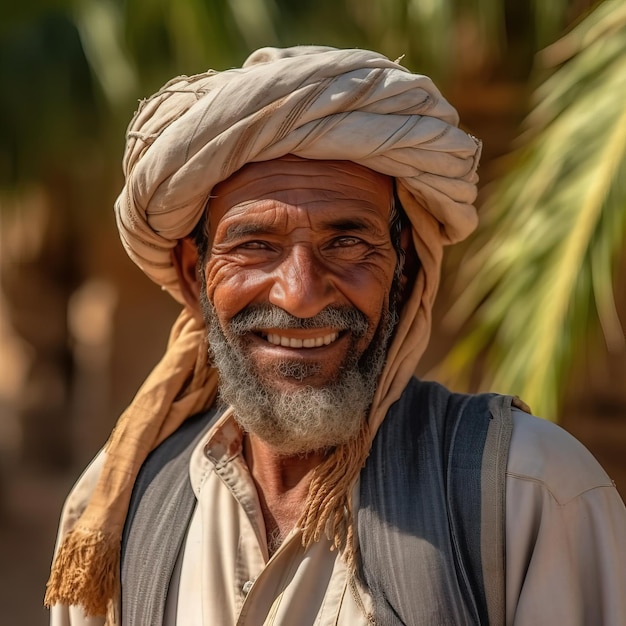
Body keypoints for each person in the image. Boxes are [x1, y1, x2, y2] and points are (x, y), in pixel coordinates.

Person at [45, 46, 626, 626]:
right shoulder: (118, 509)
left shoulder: (527, 494)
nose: (300, 294)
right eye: (254, 246)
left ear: (402, 268)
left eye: (347, 243)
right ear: (193, 269)